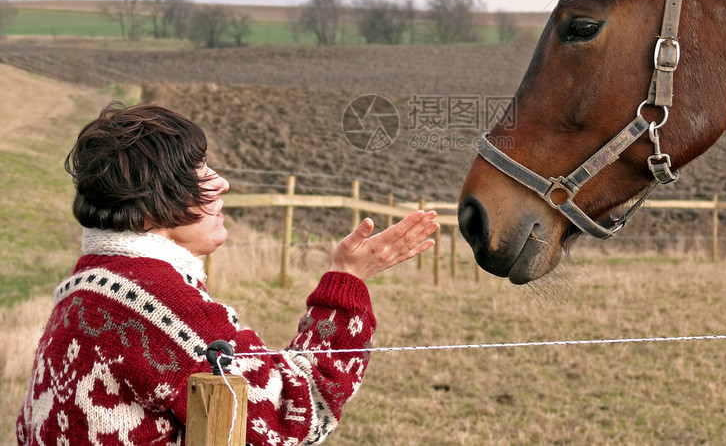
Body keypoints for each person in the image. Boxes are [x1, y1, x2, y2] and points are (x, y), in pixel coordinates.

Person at [16, 102, 439, 445]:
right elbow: (293, 412)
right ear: (152, 199)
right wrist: (347, 280)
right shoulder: (154, 303)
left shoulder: (87, 284)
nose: (222, 183)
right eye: (199, 172)